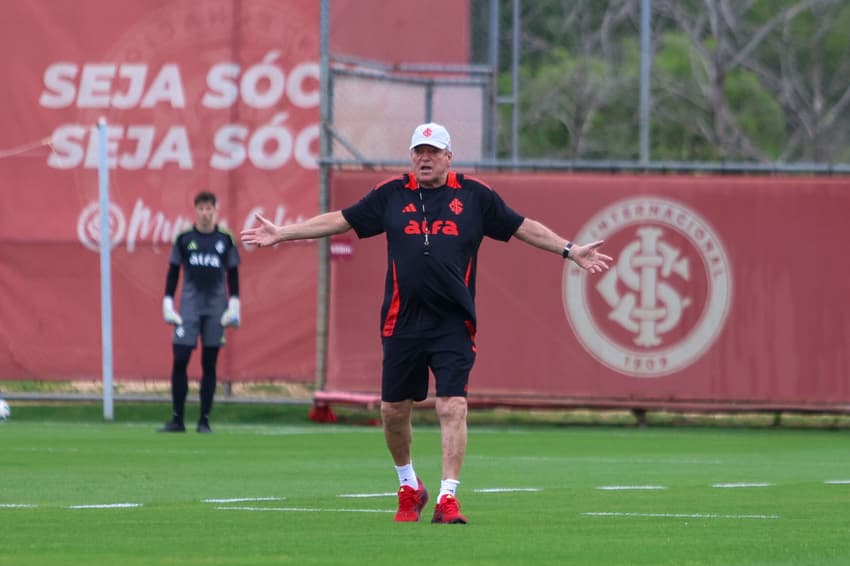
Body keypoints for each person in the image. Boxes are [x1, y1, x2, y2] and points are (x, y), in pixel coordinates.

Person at [240, 122, 612, 523]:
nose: (425, 158)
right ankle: (409, 485)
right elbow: (341, 220)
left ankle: (448, 497)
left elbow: (523, 227)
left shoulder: (474, 196)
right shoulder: (391, 194)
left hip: (453, 321)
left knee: (453, 406)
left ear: (449, 157)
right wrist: (284, 234)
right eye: (419, 151)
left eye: (433, 152)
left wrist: (570, 250)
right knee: (393, 411)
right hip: (402, 322)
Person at [159, 190, 241, 434]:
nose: (206, 213)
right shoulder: (184, 238)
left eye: (210, 208)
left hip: (215, 307)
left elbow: (233, 272)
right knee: (181, 358)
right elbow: (173, 271)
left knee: (210, 363)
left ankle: (204, 420)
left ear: (216, 210)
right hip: (189, 307)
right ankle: (177, 419)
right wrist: (167, 302)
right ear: (195, 210)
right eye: (202, 208)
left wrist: (235, 302)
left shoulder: (225, 239)